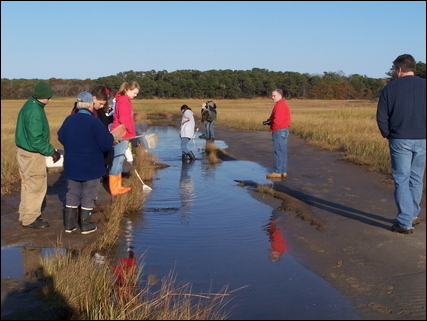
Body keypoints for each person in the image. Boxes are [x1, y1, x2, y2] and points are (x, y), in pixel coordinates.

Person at [376, 54, 426, 234]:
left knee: (402, 179)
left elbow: (382, 116)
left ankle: (405, 222)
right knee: (416, 178)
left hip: (400, 138)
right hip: (423, 139)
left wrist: (388, 134)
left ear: (398, 69)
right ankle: (412, 214)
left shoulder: (391, 87)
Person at [58, 92, 114, 234]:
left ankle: (69, 225)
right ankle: (85, 225)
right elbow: (106, 144)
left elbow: (61, 137)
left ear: (78, 105)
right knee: (88, 194)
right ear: (90, 105)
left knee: (72, 193)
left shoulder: (69, 119)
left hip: (72, 165)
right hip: (91, 166)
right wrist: (112, 137)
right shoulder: (94, 122)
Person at [15, 81, 60, 229]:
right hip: (32, 154)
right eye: (48, 97)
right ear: (43, 96)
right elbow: (36, 139)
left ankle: (25, 215)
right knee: (36, 186)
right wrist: (51, 151)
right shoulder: (34, 110)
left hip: (23, 152)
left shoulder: (30, 104)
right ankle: (31, 219)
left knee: (28, 184)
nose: (50, 100)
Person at [108, 81, 140, 196]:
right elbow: (125, 120)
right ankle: (114, 189)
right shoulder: (123, 101)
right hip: (121, 134)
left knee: (120, 159)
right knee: (118, 159)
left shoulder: (123, 100)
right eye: (134, 93)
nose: (135, 95)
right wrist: (131, 133)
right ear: (127, 90)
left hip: (123, 134)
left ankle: (118, 186)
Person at [265, 89, 291, 180]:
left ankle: (277, 172)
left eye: (274, 95)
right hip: (283, 130)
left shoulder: (280, 105)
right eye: (272, 95)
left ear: (280, 95)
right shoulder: (282, 104)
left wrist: (274, 128)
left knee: (278, 152)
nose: (272, 97)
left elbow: (277, 121)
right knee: (282, 152)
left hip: (279, 131)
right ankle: (283, 171)